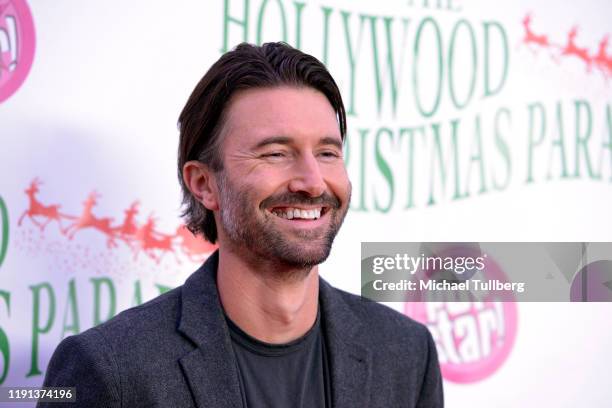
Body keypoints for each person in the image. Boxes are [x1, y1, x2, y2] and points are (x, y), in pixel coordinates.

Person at [39, 42, 443, 408]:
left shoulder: (406, 353)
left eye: (326, 152)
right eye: (275, 154)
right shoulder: (109, 370)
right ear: (204, 183)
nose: (312, 181)